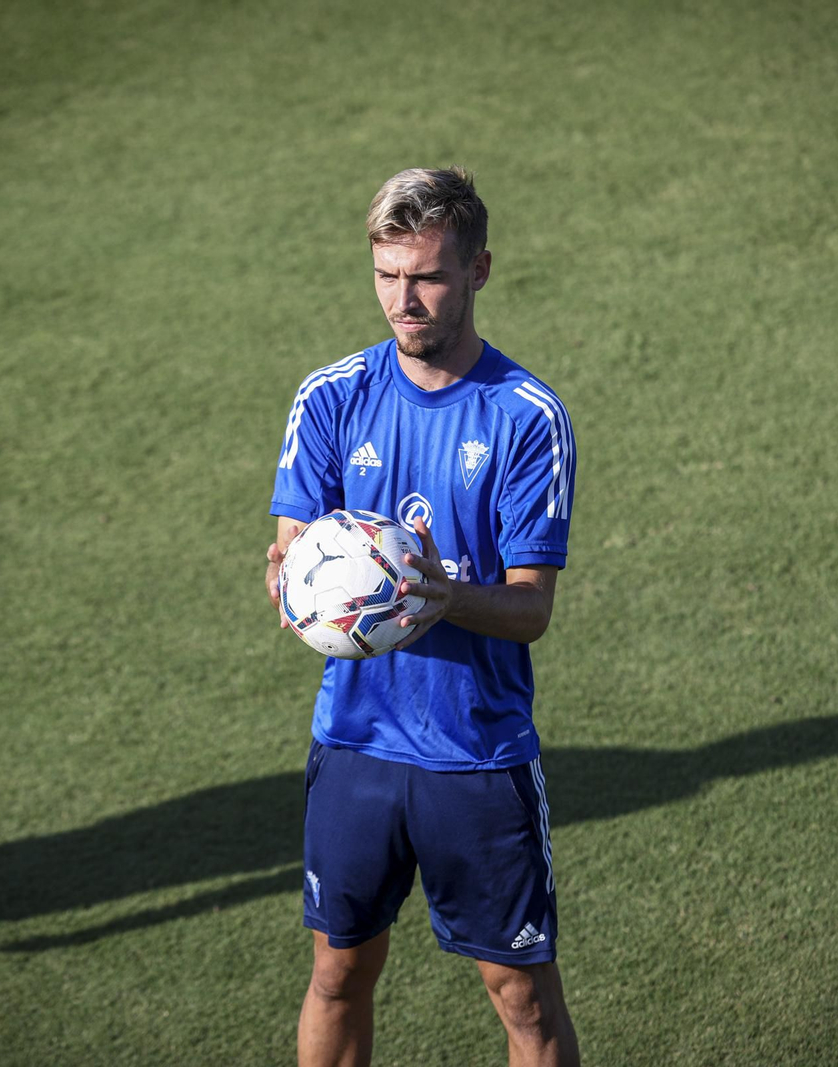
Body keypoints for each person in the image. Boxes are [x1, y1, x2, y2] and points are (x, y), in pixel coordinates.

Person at [265, 166, 581, 1067]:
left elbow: (531, 611)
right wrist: (293, 586)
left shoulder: (526, 417)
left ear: (479, 270)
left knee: (523, 996)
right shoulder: (328, 397)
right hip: (356, 744)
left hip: (474, 753)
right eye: (387, 275)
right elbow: (291, 555)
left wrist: (442, 595)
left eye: (429, 276)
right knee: (338, 972)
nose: (405, 299)